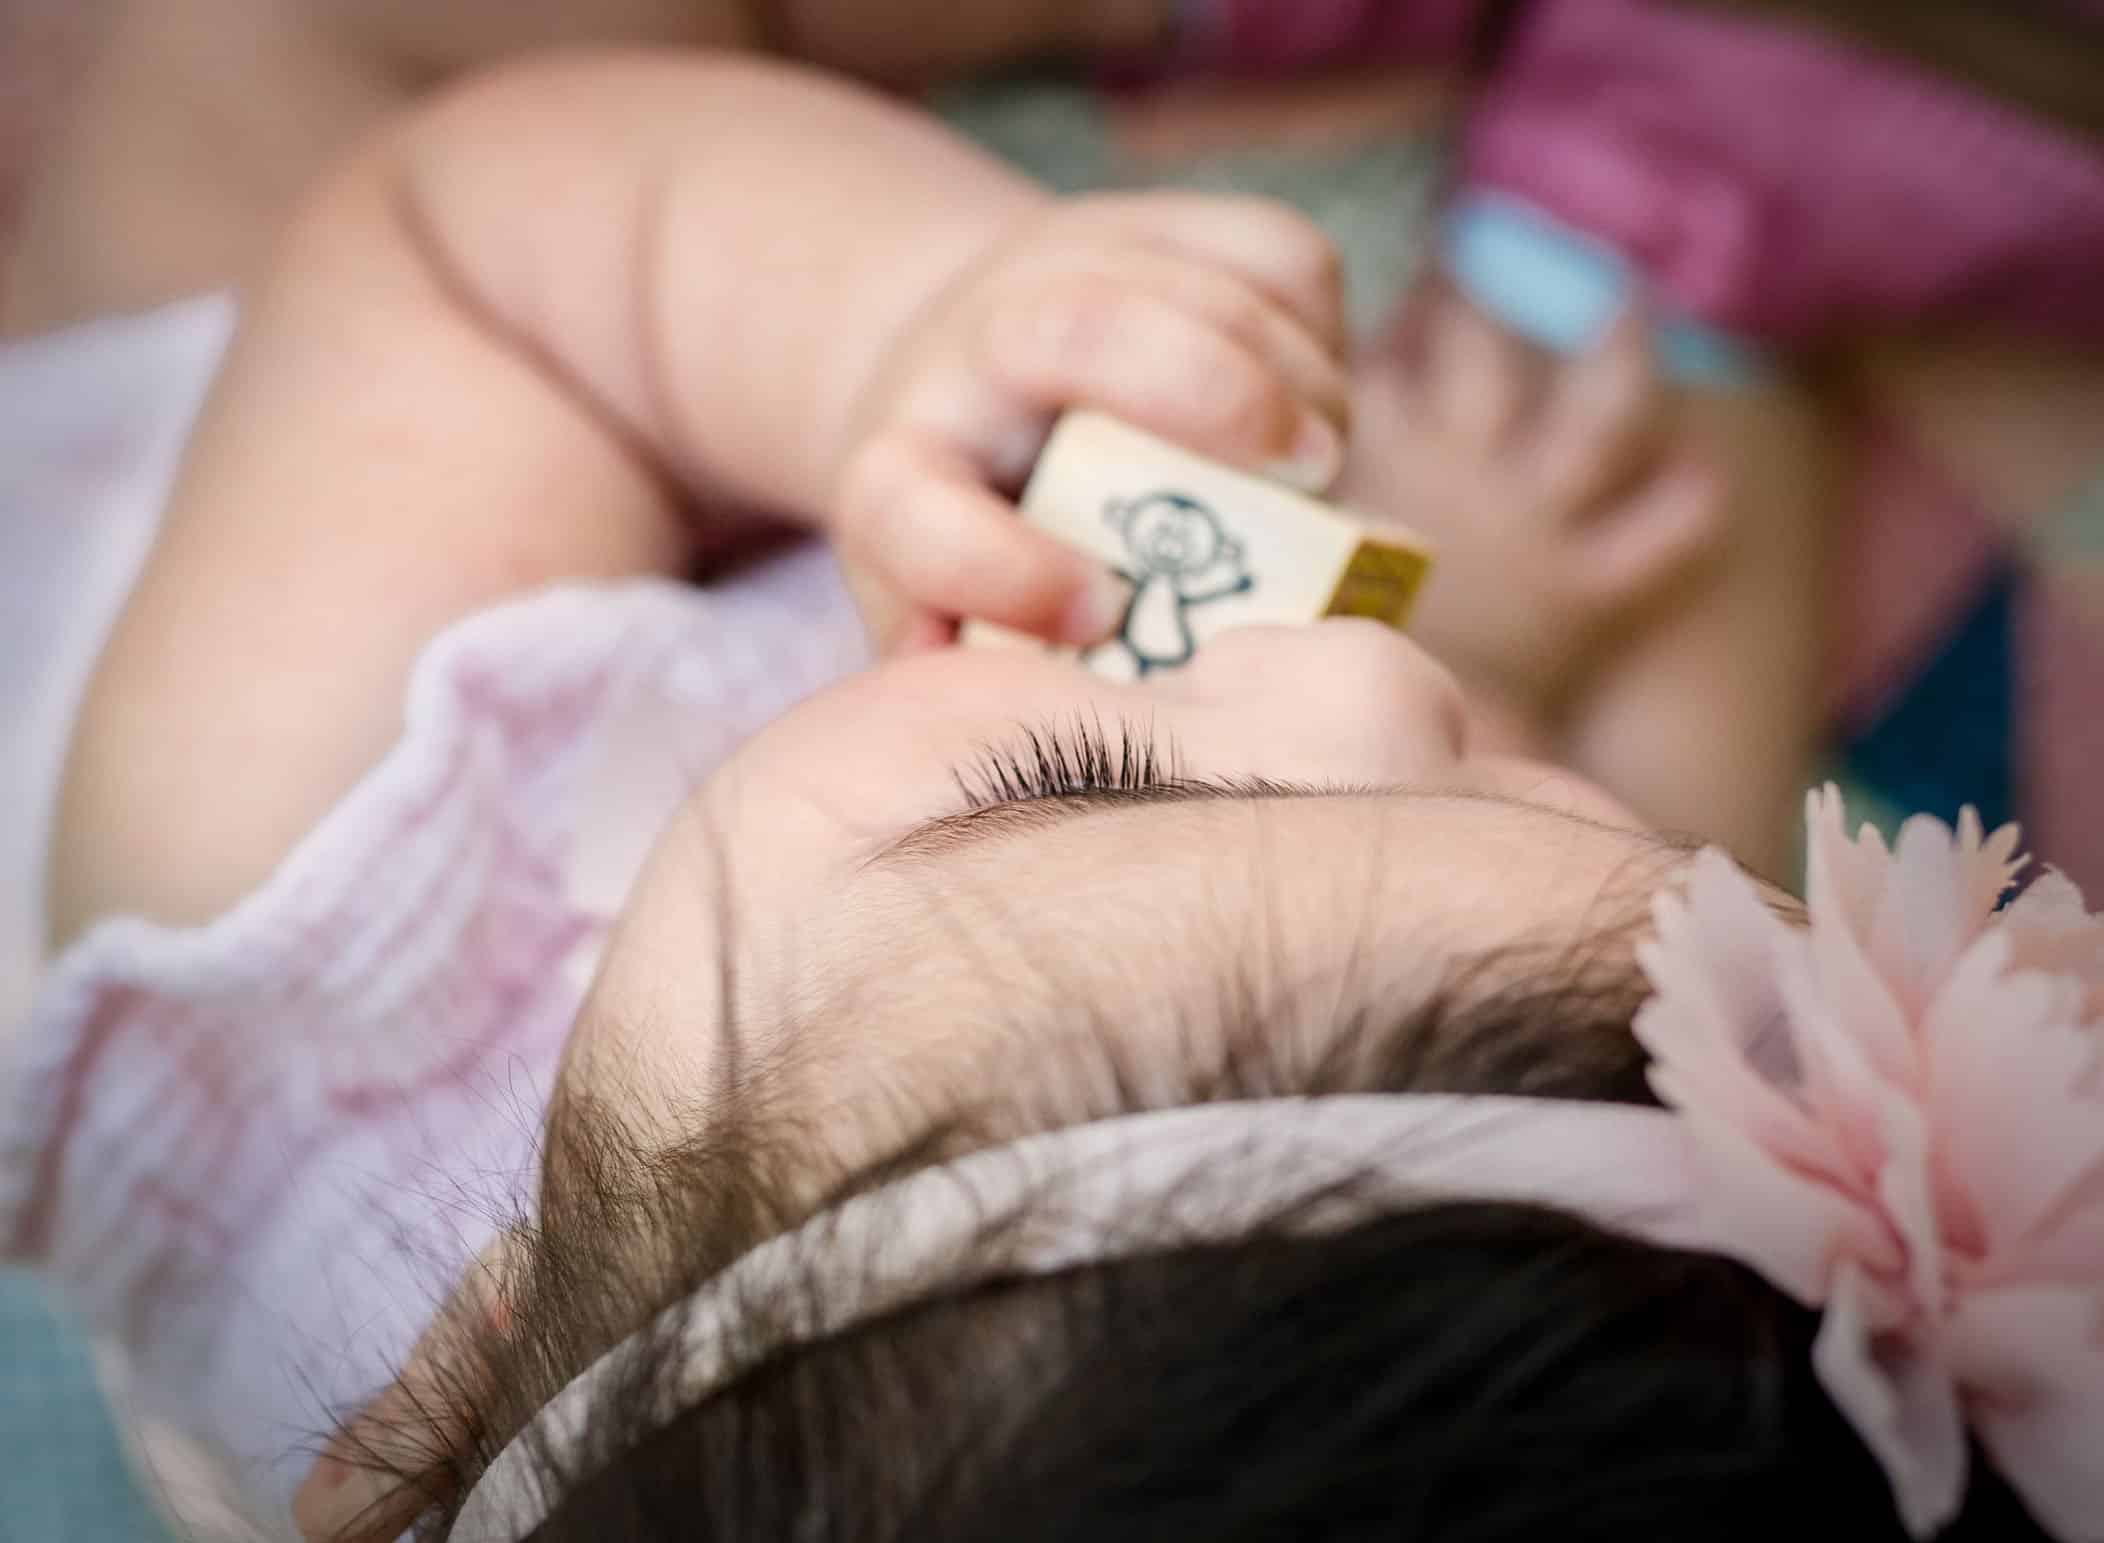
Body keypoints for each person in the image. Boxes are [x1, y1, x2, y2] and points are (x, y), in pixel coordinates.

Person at [6, 51, 2097, 1543]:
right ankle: (1645, 229)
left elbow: (466, 240)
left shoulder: (306, 896)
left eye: (1069, 786)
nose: (1359, 660)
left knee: (279, 50)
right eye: (1471, 764)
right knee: (1645, 608)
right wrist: (1527, 678)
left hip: (328, 421)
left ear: (473, 1350)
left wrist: (880, 326)